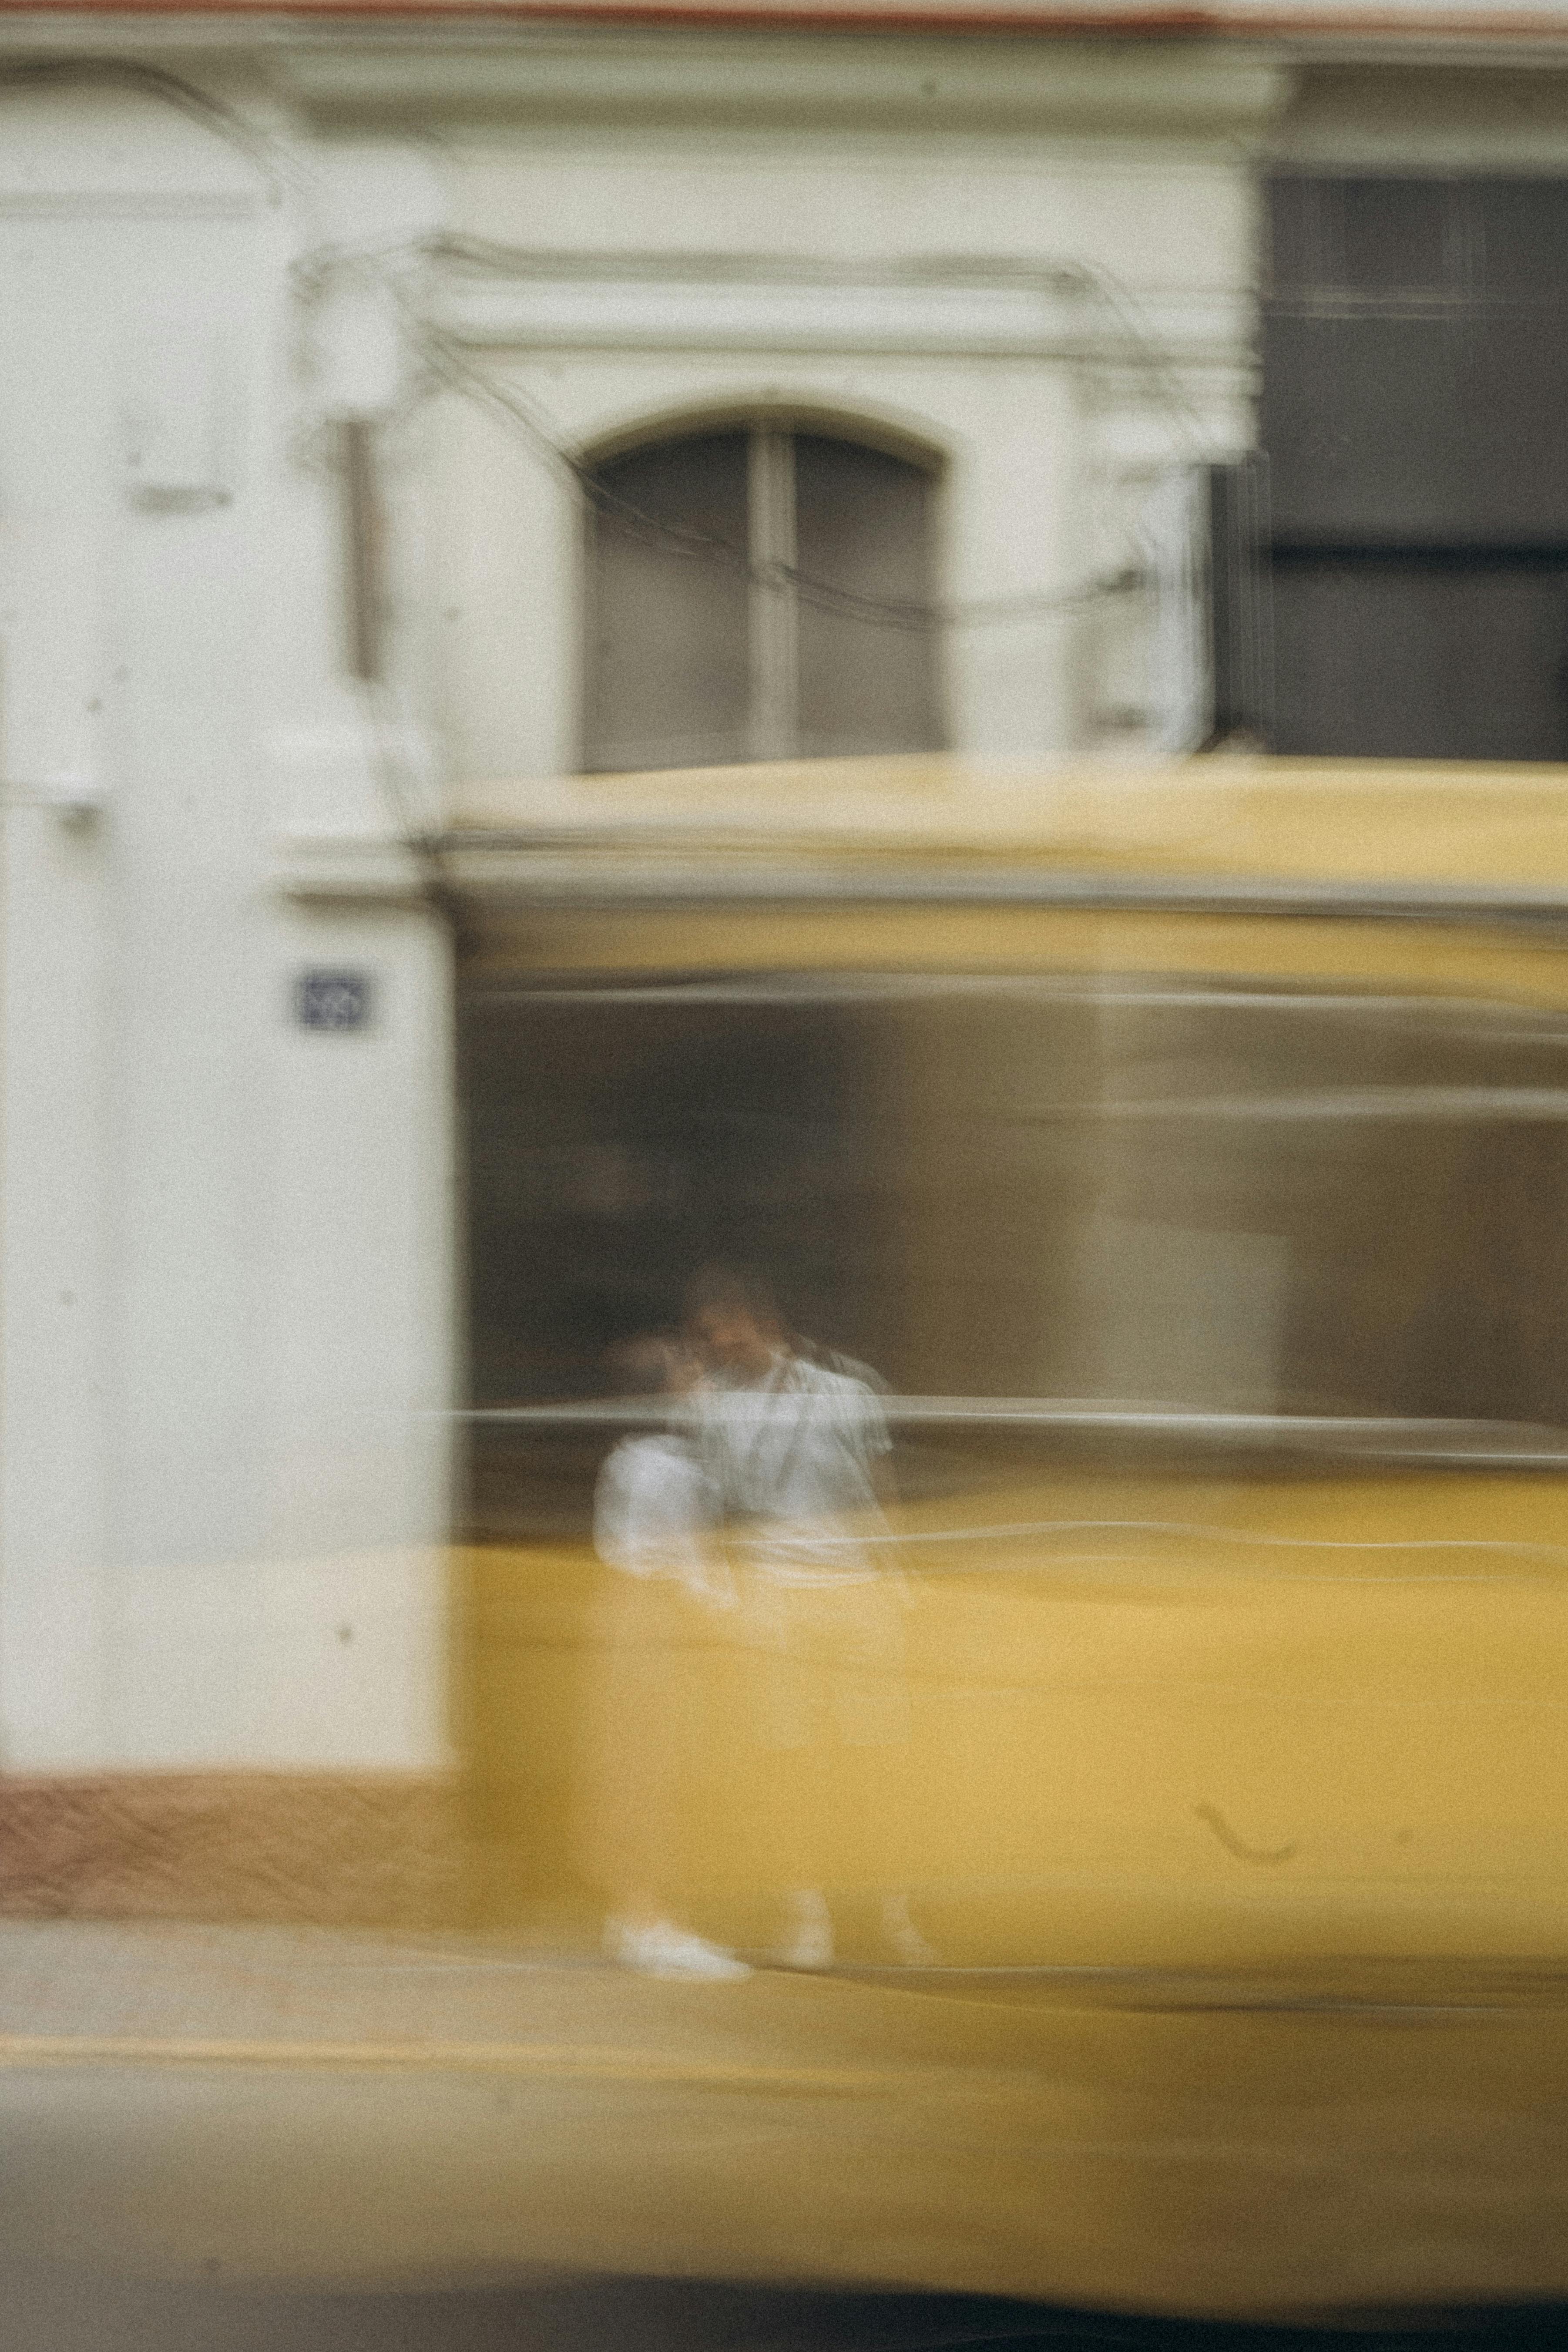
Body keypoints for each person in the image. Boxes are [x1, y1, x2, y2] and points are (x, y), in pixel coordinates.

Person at [684, 1265, 936, 1970]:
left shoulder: (844, 1394)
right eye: (708, 1336)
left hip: (855, 1586)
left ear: (762, 1323)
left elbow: (882, 1491)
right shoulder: (718, 1407)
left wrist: (902, 1582)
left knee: (880, 1755)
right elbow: (712, 1508)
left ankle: (891, 1913)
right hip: (774, 1594)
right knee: (787, 1758)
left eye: (724, 1329)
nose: (718, 1344)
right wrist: (723, 1597)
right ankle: (808, 1916)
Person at [584, 1333, 750, 1983]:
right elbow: (693, 1567)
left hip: (625, 1617)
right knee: (658, 1771)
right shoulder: (670, 1468)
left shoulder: (628, 1458)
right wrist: (734, 1617)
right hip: (658, 1623)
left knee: (630, 1765)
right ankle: (653, 1926)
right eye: (693, 1376)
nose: (705, 1387)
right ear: (666, 1393)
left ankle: (633, 1918)